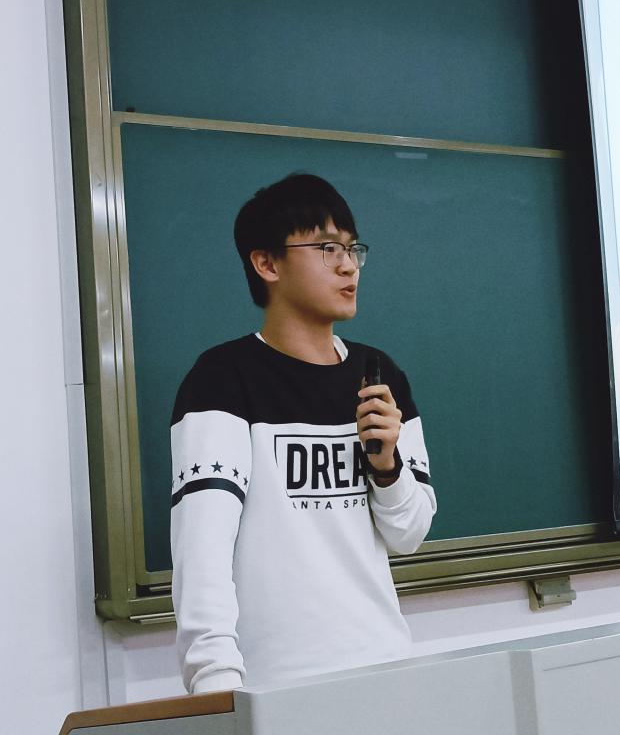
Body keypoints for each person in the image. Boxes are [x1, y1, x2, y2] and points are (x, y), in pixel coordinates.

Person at [169, 173, 438, 693]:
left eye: (353, 249)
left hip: (386, 666)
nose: (348, 265)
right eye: (326, 248)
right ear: (267, 264)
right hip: (275, 685)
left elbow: (409, 534)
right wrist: (216, 683)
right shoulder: (222, 379)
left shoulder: (379, 375)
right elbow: (201, 551)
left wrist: (387, 468)